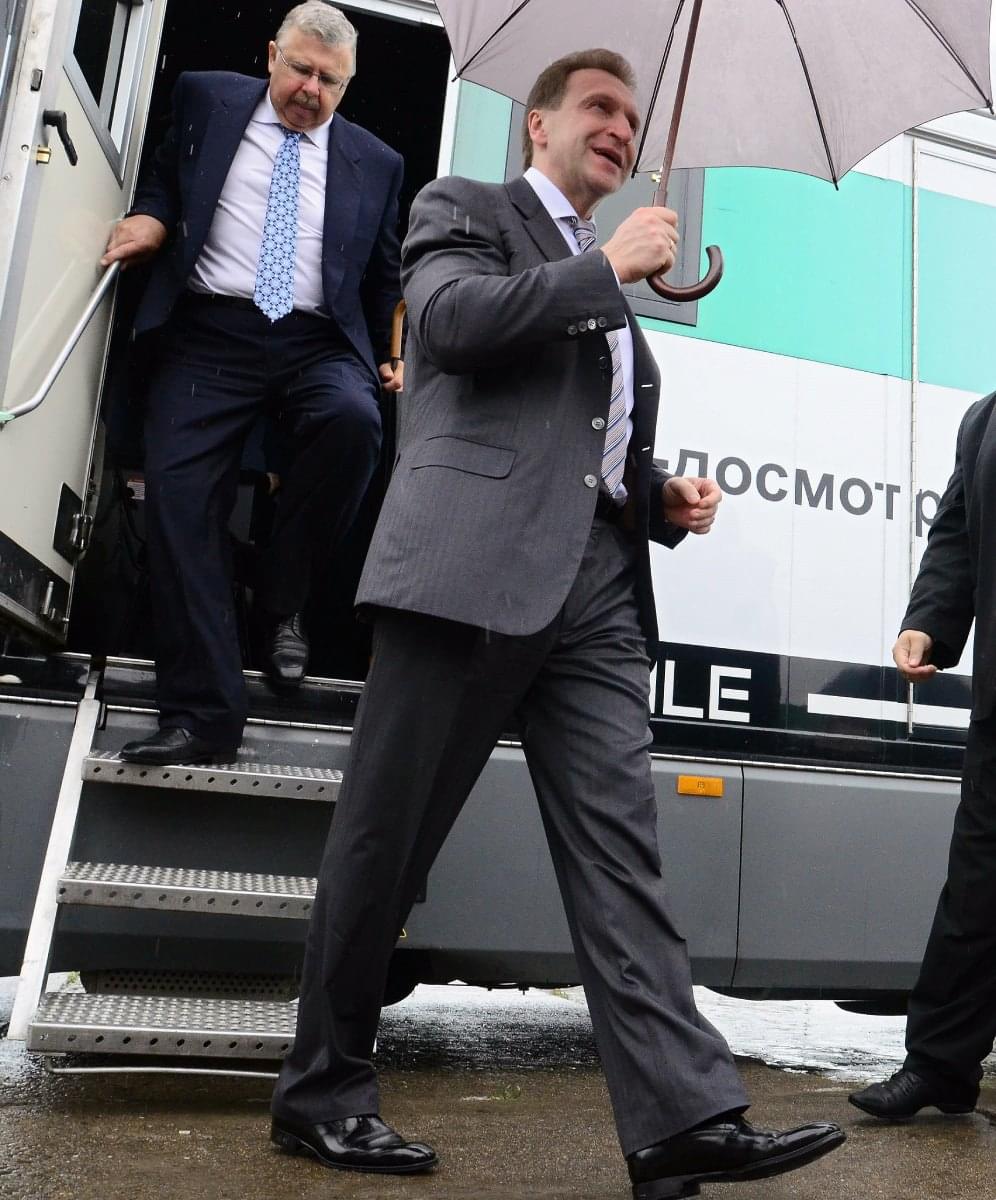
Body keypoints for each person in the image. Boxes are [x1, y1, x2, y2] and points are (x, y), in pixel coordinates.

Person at [269, 49, 845, 1199]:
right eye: (599, 108)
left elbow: (582, 444)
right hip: (465, 574)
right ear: (539, 126)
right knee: (387, 844)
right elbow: (451, 325)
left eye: (633, 116)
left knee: (621, 855)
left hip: (597, 596)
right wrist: (606, 271)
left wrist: (658, 496)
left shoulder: (599, 264)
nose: (621, 128)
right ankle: (320, 1094)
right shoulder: (466, 209)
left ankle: (683, 1119)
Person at [102, 3, 403, 766]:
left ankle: (279, 598)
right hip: (210, 330)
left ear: (348, 84)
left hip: (315, 340)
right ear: (272, 55)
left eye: (330, 81)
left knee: (354, 421)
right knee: (178, 501)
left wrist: (389, 353)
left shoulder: (377, 161)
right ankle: (202, 717)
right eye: (300, 69)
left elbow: (382, 275)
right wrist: (151, 218)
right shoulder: (205, 98)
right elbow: (165, 177)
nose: (311, 90)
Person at [850, 391, 996, 1121]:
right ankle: (940, 1066)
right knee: (975, 892)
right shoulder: (984, 420)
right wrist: (929, 624)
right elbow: (958, 538)